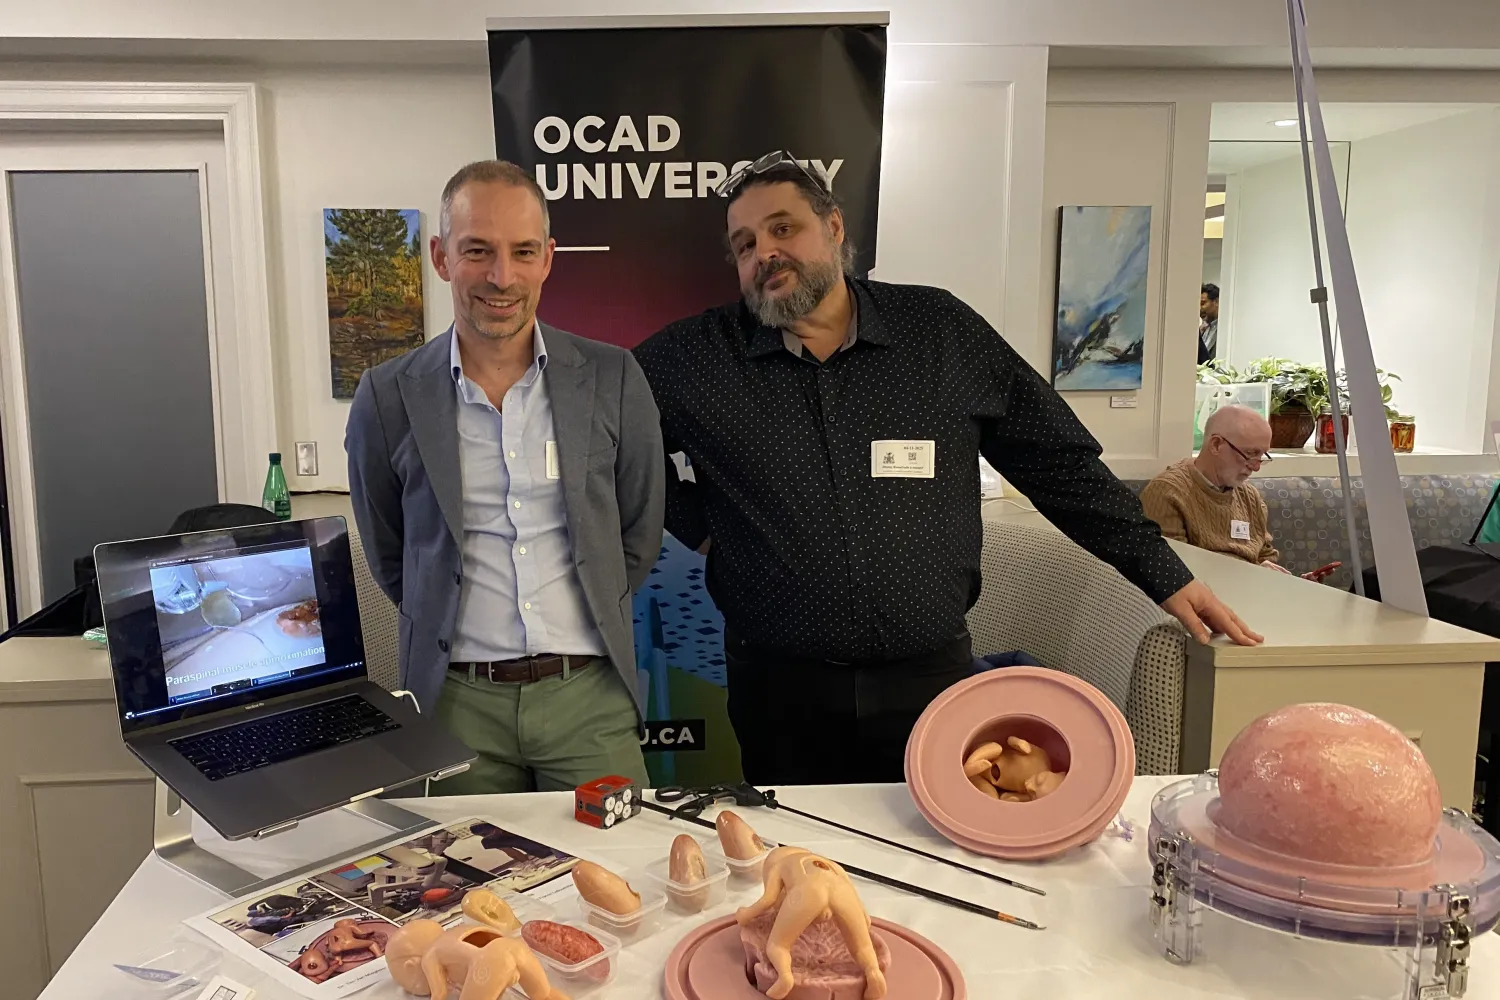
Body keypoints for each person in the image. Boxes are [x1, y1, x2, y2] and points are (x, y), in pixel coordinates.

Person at [632, 150, 1261, 786]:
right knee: (801, 861)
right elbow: (609, 452)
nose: (764, 252)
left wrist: (1163, 574)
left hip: (927, 681)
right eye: (744, 244)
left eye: (783, 228)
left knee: (938, 857)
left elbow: (1057, 463)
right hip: (777, 688)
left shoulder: (937, 331)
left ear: (835, 227)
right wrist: (708, 525)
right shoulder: (695, 358)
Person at [346, 160, 664, 794]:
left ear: (548, 258)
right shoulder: (386, 396)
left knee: (626, 875)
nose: (502, 276)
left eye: (522, 252)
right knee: (471, 886)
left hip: (590, 704)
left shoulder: (613, 377)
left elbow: (638, 528)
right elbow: (393, 554)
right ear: (440, 257)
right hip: (456, 708)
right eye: (477, 251)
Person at [1141, 405, 1339, 582]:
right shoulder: (1167, 493)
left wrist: (1286, 583)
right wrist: (1252, 574)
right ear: (1216, 445)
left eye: (1261, 456)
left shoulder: (1249, 495)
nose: (1256, 467)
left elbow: (1264, 554)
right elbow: (1174, 575)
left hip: (1250, 596)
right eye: (1250, 454)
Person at [1199, 284, 1220, 364]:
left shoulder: (1226, 330)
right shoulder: (1204, 328)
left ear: (1216, 302)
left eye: (1203, 303)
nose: (1200, 308)